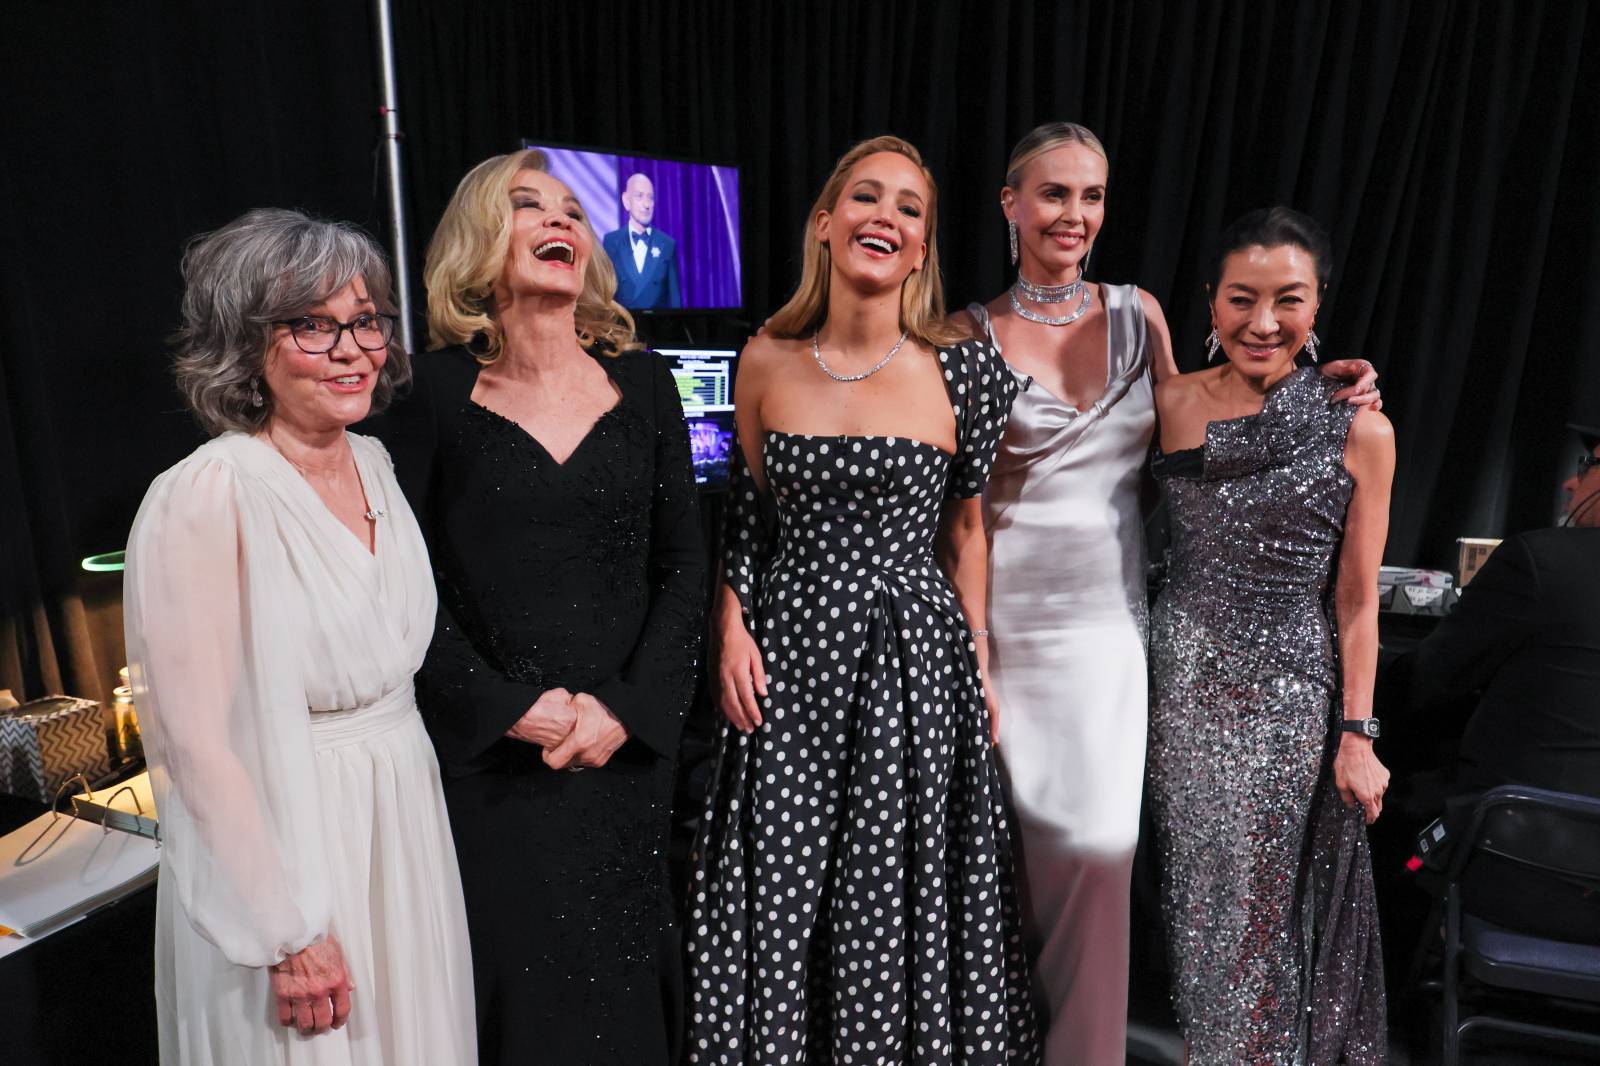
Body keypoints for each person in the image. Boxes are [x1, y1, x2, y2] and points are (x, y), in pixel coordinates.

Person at [953, 123, 1381, 1066]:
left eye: (1092, 195)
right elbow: (960, 512)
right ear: (1011, 203)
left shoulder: (1135, 313)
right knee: (993, 877)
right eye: (1055, 193)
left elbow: (1199, 440)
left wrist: (1333, 385)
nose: (1075, 213)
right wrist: (972, 647)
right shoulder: (964, 333)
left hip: (1112, 635)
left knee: (1100, 871)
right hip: (1000, 634)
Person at [688, 135, 1038, 1064]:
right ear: (826, 223)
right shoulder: (763, 357)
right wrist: (731, 629)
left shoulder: (965, 371)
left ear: (922, 248)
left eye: (909, 208)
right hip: (790, 657)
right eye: (866, 198)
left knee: (891, 889)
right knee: (784, 884)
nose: (886, 217)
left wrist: (981, 667)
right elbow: (747, 524)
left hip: (912, 663)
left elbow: (967, 535)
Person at [372, 148, 704, 1065]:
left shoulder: (646, 385)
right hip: (493, 769)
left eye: (571, 210)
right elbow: (401, 583)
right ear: (484, 239)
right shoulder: (430, 393)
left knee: (626, 1002)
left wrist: (625, 710)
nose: (560, 221)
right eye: (530, 206)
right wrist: (507, 709)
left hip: (623, 763)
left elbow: (685, 566)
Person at [123, 208, 474, 1065]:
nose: (352, 348)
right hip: (291, 849)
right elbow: (197, 743)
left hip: (403, 823)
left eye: (365, 321)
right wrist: (285, 933)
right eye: (313, 326)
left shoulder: (378, 463)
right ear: (247, 345)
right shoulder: (205, 493)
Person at [1147, 207, 1392, 1064]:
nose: (1262, 322)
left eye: (1287, 300)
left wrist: (1358, 735)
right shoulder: (1170, 400)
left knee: (1260, 911)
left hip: (1286, 697)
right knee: (1200, 904)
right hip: (1178, 685)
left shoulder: (1361, 425)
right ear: (1210, 305)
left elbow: (1359, 602)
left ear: (1317, 305)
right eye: (1240, 298)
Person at [1395, 423, 1600, 941]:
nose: (1569, 485)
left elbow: (1424, 685)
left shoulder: (1542, 561)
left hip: (1511, 872)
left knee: (1376, 807)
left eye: (1585, 467)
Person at [603, 172, 682, 309]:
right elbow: (605, 295)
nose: (647, 204)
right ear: (627, 201)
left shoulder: (667, 245)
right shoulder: (611, 242)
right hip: (622, 326)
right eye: (639, 196)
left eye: (650, 198)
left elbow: (675, 301)